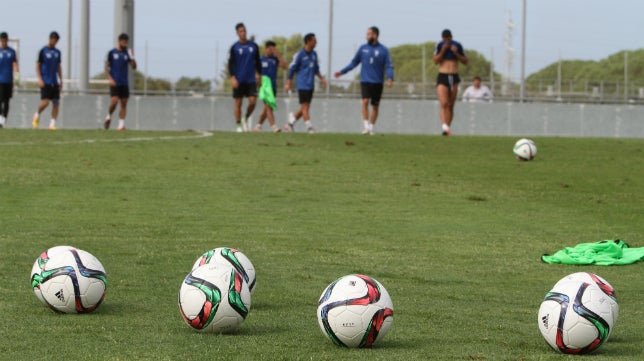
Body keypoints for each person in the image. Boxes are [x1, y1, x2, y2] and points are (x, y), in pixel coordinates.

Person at [334, 26, 394, 135]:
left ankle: (371, 127)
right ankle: (366, 126)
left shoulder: (384, 50)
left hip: (377, 82)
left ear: (375, 35)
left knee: (375, 105)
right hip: (365, 80)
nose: (367, 36)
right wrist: (342, 72)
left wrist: (390, 78)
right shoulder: (362, 48)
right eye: (367, 34)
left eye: (369, 34)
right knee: (365, 101)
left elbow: (389, 66)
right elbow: (354, 63)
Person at [283, 33, 327, 133]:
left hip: (310, 85)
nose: (316, 42)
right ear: (308, 41)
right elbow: (292, 69)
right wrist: (288, 83)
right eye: (314, 40)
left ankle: (290, 124)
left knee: (305, 107)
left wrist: (322, 79)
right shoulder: (300, 55)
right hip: (302, 84)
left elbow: (316, 69)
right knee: (305, 107)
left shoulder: (314, 54)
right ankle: (309, 127)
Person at [433, 29, 467, 136]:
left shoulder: (457, 45)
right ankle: (444, 125)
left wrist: (455, 52)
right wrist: (443, 50)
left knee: (451, 105)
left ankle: (447, 128)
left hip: (453, 75)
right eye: (445, 38)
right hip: (443, 75)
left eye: (449, 38)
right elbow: (435, 60)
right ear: (442, 38)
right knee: (444, 103)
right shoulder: (439, 45)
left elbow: (465, 61)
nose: (447, 40)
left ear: (451, 37)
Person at [228, 23, 261, 133]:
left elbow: (258, 62)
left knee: (253, 101)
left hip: (250, 79)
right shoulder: (235, 47)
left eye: (244, 30)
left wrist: (259, 74)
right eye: (241, 31)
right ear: (237, 33)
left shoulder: (253, 46)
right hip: (239, 79)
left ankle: (245, 118)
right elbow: (231, 64)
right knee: (238, 102)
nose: (243, 33)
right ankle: (238, 125)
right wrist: (233, 78)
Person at [104, 33, 137, 131]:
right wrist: (109, 78)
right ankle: (108, 116)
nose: (125, 43)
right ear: (120, 41)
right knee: (114, 101)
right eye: (124, 41)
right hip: (115, 81)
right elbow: (106, 66)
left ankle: (121, 125)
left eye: (126, 42)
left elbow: (134, 67)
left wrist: (132, 57)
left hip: (124, 82)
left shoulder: (127, 53)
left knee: (124, 103)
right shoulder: (112, 52)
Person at [254, 40, 287, 133]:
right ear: (266, 49)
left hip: (273, 86)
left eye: (273, 49)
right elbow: (256, 73)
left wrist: (278, 55)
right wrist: (258, 81)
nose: (271, 51)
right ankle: (274, 126)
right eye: (270, 49)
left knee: (267, 107)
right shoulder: (260, 60)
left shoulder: (275, 59)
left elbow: (284, 66)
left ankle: (258, 126)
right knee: (268, 106)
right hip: (264, 86)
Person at [33, 31, 62, 130]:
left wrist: (60, 80)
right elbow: (37, 65)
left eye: (56, 40)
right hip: (46, 81)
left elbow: (58, 66)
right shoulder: (43, 51)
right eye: (53, 39)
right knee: (46, 102)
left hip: (54, 81)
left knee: (56, 103)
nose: (55, 42)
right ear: (50, 39)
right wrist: (40, 79)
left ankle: (52, 124)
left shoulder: (57, 53)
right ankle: (37, 114)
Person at [0, 32, 19, 128]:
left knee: (6, 101)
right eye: (2, 39)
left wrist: (17, 77)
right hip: (0, 81)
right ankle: (0, 118)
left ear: (7, 40)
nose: (3, 41)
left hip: (8, 81)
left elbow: (15, 64)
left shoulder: (11, 52)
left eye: (5, 39)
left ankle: (3, 120)